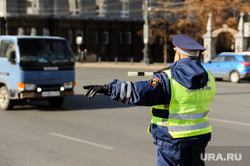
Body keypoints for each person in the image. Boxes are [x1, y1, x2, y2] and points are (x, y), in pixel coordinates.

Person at [83, 34, 216, 166]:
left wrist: (109, 89)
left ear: (179, 55)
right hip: (200, 136)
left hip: (173, 140)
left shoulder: (167, 78)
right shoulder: (209, 77)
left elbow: (140, 92)